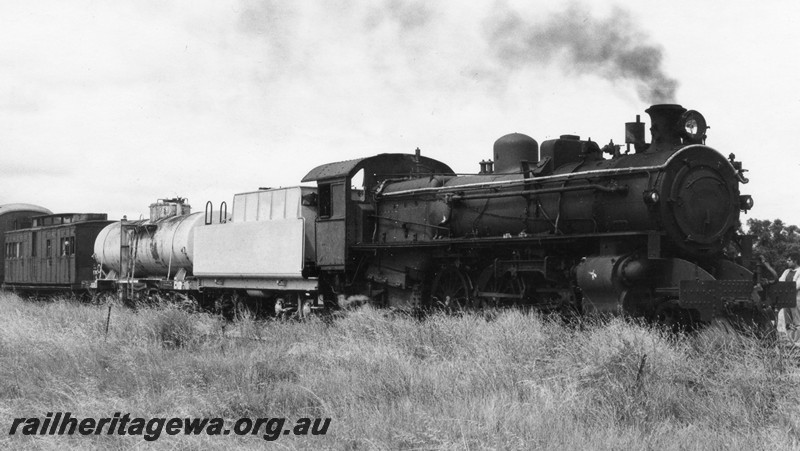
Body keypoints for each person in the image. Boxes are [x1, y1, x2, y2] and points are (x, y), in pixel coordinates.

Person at [777, 252, 800, 342]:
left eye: (789, 260)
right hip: (786, 300)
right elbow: (780, 281)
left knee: (797, 321)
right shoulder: (786, 272)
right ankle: (791, 341)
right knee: (788, 322)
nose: (787, 262)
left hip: (797, 300)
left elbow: (796, 286)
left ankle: (798, 342)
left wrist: (784, 287)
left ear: (795, 261)